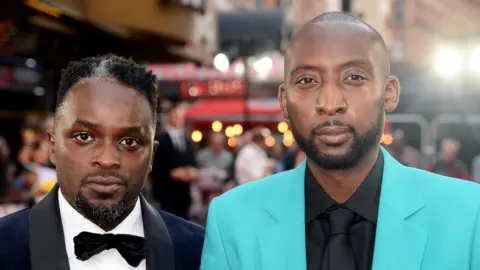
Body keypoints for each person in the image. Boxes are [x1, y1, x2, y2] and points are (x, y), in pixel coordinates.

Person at [200, 12, 480, 270]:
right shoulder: (232, 220)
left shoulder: (468, 216)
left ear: (390, 93)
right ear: (284, 101)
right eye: (308, 80)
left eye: (354, 77)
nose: (330, 103)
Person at [0, 54, 204, 270]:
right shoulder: (5, 247)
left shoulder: (198, 252)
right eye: (84, 137)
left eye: (129, 141)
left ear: (152, 155)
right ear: (52, 146)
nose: (107, 160)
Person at [151, 101, 197, 219]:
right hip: (166, 194)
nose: (179, 119)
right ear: (169, 116)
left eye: (181, 116)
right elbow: (155, 166)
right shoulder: (160, 139)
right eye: (176, 115)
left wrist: (191, 171)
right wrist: (171, 173)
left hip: (184, 194)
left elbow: (192, 161)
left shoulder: (186, 140)